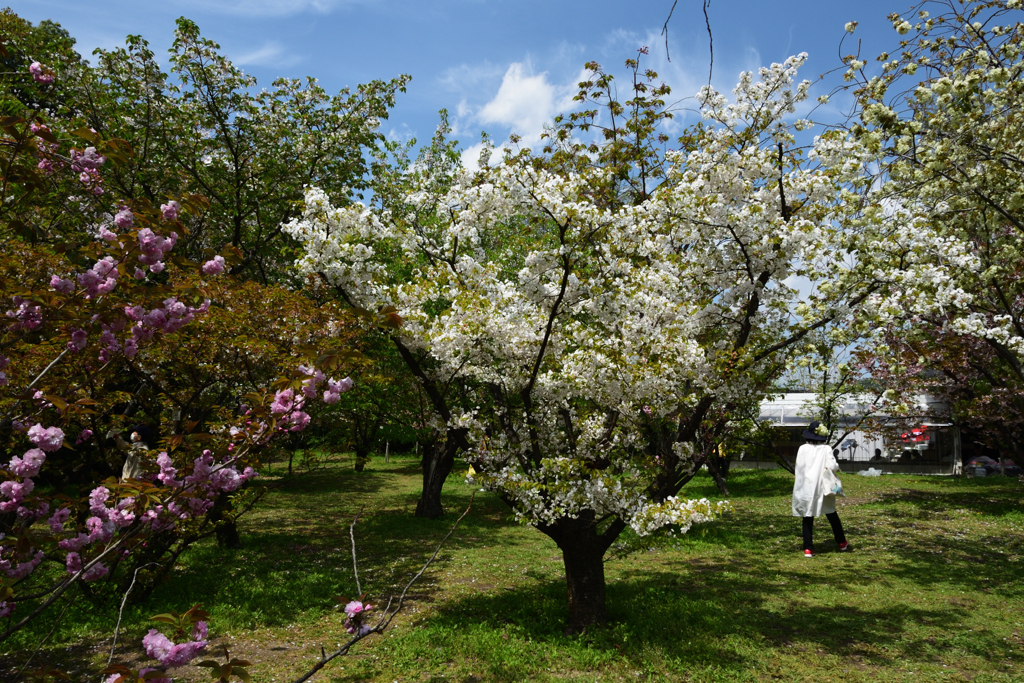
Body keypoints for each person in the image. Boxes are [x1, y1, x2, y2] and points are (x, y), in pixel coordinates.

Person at [792, 420, 849, 557]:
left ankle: (808, 548)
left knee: (807, 515)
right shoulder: (826, 449)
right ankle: (841, 542)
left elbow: (799, 467)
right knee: (831, 513)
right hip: (822, 485)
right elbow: (833, 466)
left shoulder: (803, 448)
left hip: (806, 485)